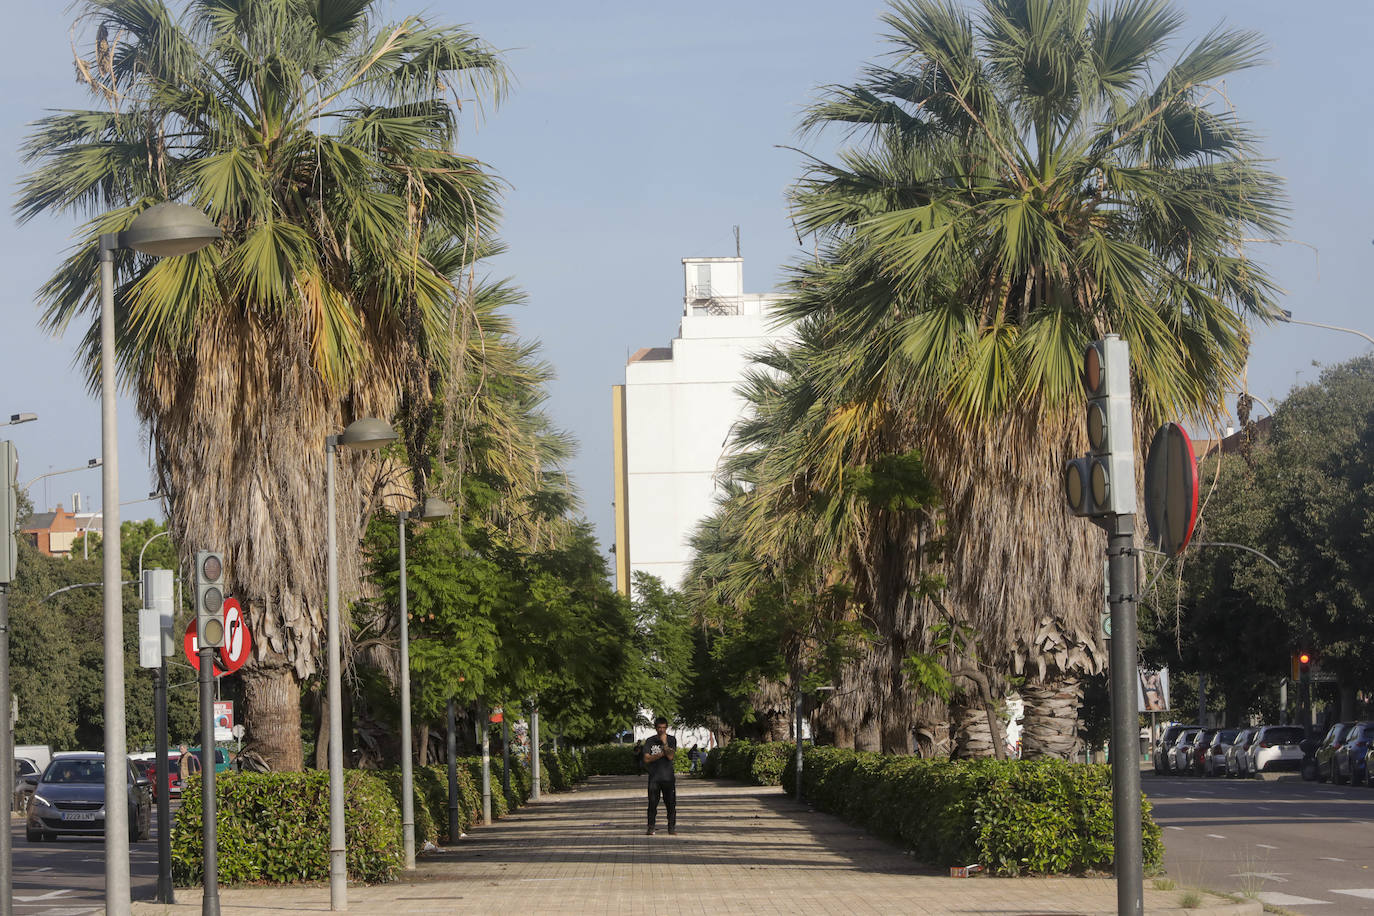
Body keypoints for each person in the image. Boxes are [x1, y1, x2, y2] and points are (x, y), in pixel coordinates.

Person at [641, 717, 677, 835]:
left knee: (670, 804)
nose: (661, 730)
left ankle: (671, 828)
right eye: (659, 728)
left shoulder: (671, 740)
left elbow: (671, 756)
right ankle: (651, 827)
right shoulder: (650, 741)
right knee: (652, 804)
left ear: (666, 728)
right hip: (654, 778)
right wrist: (662, 754)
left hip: (668, 778)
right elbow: (646, 759)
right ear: (656, 728)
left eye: (663, 728)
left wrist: (665, 743)